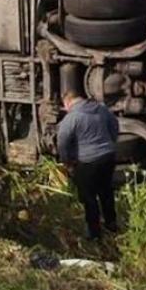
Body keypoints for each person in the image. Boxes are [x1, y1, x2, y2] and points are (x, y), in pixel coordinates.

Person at [57, 91, 120, 240]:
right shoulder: (102, 109)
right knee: (106, 191)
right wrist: (110, 142)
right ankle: (111, 224)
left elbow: (63, 141)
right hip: (107, 157)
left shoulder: (72, 117)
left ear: (68, 102)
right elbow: (115, 125)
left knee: (89, 197)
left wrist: (67, 161)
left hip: (87, 162)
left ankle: (94, 233)